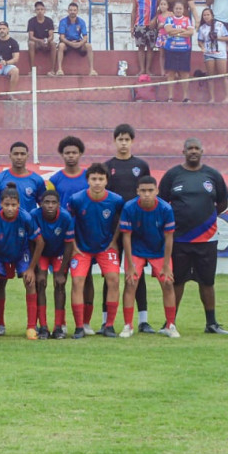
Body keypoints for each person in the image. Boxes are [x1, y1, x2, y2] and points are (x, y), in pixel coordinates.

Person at [159, 137, 228, 335]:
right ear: (183, 151)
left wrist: (206, 219)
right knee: (177, 282)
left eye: (196, 148)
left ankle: (211, 323)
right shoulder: (172, 175)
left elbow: (222, 203)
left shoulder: (213, 175)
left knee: (207, 282)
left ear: (202, 151)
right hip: (179, 239)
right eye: (189, 148)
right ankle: (170, 323)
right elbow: (162, 204)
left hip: (206, 239)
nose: (193, 151)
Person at [0, 183, 43, 341]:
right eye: (6, 204)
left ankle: (31, 327)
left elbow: (40, 242)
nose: (10, 208)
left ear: (19, 204)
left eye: (13, 205)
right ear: (0, 204)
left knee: (30, 282)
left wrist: (31, 268)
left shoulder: (25, 217)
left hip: (21, 253)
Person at [104, 124, 153, 333]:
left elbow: (147, 193)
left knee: (136, 273)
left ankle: (143, 320)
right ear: (114, 141)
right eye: (120, 139)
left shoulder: (141, 166)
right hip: (113, 228)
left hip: (137, 228)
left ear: (132, 141)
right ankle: (106, 320)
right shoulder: (108, 166)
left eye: (127, 139)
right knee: (111, 274)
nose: (123, 143)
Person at [67, 163, 125, 339]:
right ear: (88, 180)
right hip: (82, 248)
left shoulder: (116, 200)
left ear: (107, 180)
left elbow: (122, 220)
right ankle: (79, 327)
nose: (97, 182)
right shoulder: (76, 199)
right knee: (77, 282)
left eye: (101, 179)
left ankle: (109, 326)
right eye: (94, 179)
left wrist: (114, 241)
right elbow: (68, 221)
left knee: (114, 280)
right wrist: (74, 245)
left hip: (105, 248)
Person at [119, 176, 178, 338]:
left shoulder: (165, 209)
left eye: (150, 190)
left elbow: (169, 237)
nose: (146, 194)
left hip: (158, 250)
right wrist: (130, 264)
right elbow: (126, 237)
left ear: (157, 191)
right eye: (143, 191)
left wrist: (166, 265)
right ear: (137, 191)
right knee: (130, 283)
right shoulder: (129, 207)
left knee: (167, 283)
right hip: (136, 250)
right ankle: (128, 325)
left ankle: (170, 325)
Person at [30, 189, 74, 339]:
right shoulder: (34, 216)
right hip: (40, 253)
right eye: (46, 202)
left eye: (53, 202)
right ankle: (43, 326)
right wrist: (35, 267)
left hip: (59, 254)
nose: (50, 205)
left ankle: (58, 327)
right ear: (40, 203)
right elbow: (32, 243)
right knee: (40, 282)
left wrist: (62, 271)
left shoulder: (66, 217)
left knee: (60, 284)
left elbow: (69, 245)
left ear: (59, 204)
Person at [0, 142, 48, 211]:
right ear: (10, 156)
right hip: (4, 222)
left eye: (22, 154)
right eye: (16, 154)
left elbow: (43, 206)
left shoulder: (37, 180)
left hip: (28, 222)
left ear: (27, 156)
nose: (19, 157)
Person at [197, 6, 228, 103]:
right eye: (204, 15)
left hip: (220, 52)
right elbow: (200, 41)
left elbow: (227, 38)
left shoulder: (220, 25)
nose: (206, 17)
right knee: (210, 76)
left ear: (212, 15)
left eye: (208, 15)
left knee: (223, 75)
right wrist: (202, 47)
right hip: (208, 53)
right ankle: (212, 98)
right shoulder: (202, 28)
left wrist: (217, 37)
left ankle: (227, 97)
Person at [162, 0, 194, 102]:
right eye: (177, 8)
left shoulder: (187, 19)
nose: (178, 10)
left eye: (180, 8)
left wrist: (176, 32)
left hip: (184, 50)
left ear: (183, 9)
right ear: (173, 10)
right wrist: (183, 31)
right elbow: (168, 31)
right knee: (171, 73)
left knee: (184, 73)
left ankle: (185, 96)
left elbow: (190, 32)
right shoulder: (169, 19)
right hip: (171, 49)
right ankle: (170, 96)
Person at [131, 0, 162, 77]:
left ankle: (148, 69)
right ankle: (142, 70)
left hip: (151, 25)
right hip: (139, 24)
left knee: (150, 47)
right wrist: (132, 26)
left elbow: (161, 7)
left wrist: (155, 18)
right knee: (140, 47)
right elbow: (134, 10)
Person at [55, 3, 96, 76]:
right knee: (61, 45)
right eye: (71, 10)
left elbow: (85, 37)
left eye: (74, 10)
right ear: (68, 11)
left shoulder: (81, 21)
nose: (72, 12)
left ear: (77, 11)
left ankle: (92, 70)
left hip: (78, 42)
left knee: (88, 46)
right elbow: (62, 37)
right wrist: (71, 43)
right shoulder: (63, 21)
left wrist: (80, 43)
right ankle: (60, 69)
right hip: (67, 43)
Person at [27, 1, 56, 75]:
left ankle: (52, 70)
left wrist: (46, 41)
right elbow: (31, 36)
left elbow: (51, 36)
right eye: (38, 9)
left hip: (46, 42)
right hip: (36, 43)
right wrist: (40, 41)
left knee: (53, 43)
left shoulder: (49, 21)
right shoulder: (31, 21)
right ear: (35, 11)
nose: (40, 11)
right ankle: (32, 70)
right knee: (31, 43)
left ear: (44, 10)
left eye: (41, 9)